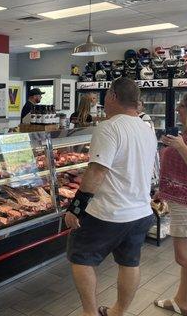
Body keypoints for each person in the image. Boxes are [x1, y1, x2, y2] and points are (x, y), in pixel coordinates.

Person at [65, 77, 157, 316]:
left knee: (81, 257)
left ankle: (90, 313)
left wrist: (76, 207)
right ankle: (118, 312)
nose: (104, 101)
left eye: (106, 96)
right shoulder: (146, 128)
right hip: (140, 211)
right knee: (129, 263)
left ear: (114, 97)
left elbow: (97, 171)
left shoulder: (109, 127)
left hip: (109, 212)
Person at [154, 93, 187, 316]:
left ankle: (182, 300)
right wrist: (164, 189)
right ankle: (182, 301)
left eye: (182, 106)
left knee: (185, 257)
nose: (178, 109)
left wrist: (181, 147)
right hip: (186, 202)